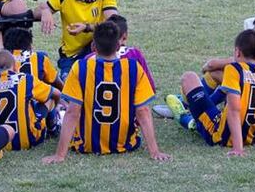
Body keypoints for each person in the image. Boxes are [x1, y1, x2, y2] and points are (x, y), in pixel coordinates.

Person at [42, 22, 170, 163]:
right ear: (118, 46)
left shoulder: (80, 67)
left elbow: (73, 112)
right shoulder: (133, 68)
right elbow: (143, 111)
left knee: (63, 109)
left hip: (86, 145)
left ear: (93, 47)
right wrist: (154, 151)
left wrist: (60, 155)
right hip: (125, 144)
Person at [36, 0, 118, 81]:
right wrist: (45, 10)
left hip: (99, 49)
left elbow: (114, 24)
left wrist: (87, 27)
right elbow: (36, 13)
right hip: (71, 56)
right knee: (68, 92)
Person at [0, 50, 62, 151]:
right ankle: (53, 129)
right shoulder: (26, 79)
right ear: (15, 67)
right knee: (49, 97)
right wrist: (57, 106)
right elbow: (57, 93)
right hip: (30, 140)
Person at [86, 15, 156, 92]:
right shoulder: (134, 55)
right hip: (128, 103)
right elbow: (150, 88)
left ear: (94, 45)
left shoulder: (87, 60)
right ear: (124, 36)